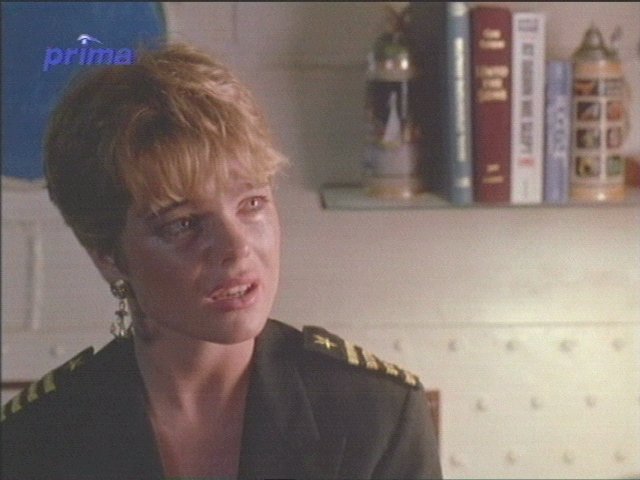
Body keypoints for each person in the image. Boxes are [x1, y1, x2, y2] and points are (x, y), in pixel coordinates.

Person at [1, 42, 442, 479]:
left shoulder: (376, 418)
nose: (236, 247)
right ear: (108, 256)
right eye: (184, 224)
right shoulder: (35, 439)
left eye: (252, 204)